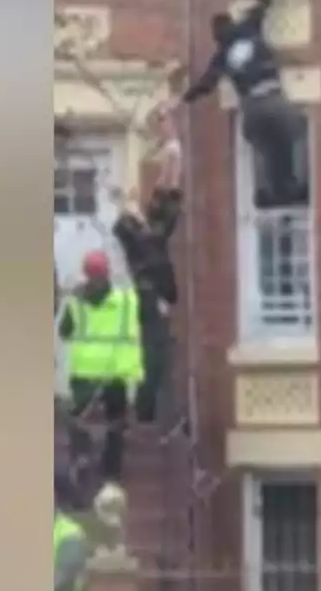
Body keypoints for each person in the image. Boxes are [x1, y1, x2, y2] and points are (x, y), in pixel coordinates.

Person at [164, 0, 307, 209]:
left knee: (262, 145)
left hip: (252, 108)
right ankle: (293, 186)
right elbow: (262, 5)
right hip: (273, 98)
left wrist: (180, 99)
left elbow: (205, 85)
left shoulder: (220, 57)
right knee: (290, 135)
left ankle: (266, 191)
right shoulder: (248, 27)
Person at [112, 104, 184, 424]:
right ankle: (145, 410)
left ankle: (146, 407)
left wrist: (169, 145)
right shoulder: (143, 236)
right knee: (154, 353)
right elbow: (168, 192)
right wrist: (171, 149)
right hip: (148, 296)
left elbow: (167, 190)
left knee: (153, 351)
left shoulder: (139, 234)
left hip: (147, 295)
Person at [56, 249, 144, 494]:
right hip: (114, 375)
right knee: (115, 424)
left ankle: (84, 461)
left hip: (86, 376)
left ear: (86, 274)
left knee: (79, 420)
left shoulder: (77, 303)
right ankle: (110, 471)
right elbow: (144, 320)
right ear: (107, 275)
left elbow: (64, 332)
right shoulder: (126, 301)